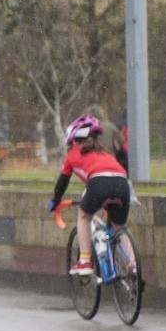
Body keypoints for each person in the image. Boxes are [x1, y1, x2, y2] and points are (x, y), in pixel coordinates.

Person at [46, 113, 132, 276]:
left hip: (99, 184)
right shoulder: (105, 153)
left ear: (73, 141)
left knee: (84, 216)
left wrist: (55, 201)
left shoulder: (71, 156)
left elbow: (62, 182)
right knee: (118, 227)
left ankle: (85, 260)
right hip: (122, 183)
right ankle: (133, 265)